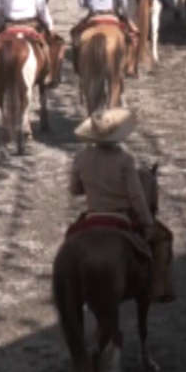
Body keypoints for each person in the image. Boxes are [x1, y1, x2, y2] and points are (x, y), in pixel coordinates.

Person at [69, 109, 173, 301]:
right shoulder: (124, 160)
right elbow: (136, 197)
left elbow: (75, 190)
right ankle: (158, 289)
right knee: (163, 238)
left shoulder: (81, 157)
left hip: (93, 214)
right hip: (121, 216)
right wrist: (148, 222)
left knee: (70, 238)